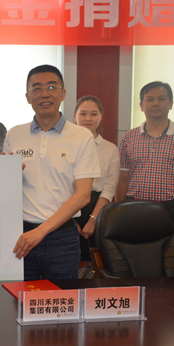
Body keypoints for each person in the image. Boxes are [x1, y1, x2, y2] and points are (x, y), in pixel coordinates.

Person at [3, 65, 100, 280]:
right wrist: (6, 175)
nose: (44, 93)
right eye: (37, 88)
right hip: (21, 236)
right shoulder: (14, 134)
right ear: (28, 97)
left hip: (62, 238)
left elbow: (83, 196)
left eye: (51, 87)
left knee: (61, 299)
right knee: (19, 299)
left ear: (63, 93)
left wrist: (41, 231)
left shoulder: (81, 136)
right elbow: (6, 191)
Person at [116, 81, 174, 243]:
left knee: (171, 255)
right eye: (150, 99)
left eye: (161, 99)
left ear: (171, 104)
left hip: (172, 210)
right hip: (134, 209)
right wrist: (119, 212)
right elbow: (122, 179)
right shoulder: (128, 138)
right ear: (141, 105)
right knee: (135, 253)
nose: (155, 103)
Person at [73, 96, 120, 266]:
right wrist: (71, 220)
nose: (88, 118)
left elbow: (109, 189)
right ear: (75, 116)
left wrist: (93, 220)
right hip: (68, 208)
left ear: (100, 117)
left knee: (96, 263)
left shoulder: (110, 149)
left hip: (98, 209)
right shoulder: (66, 146)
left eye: (93, 114)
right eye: (83, 113)